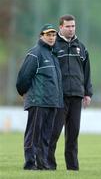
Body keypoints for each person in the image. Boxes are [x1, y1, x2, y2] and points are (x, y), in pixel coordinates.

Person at [48, 15, 93, 171]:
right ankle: (49, 164)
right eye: (67, 26)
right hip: (58, 97)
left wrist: (88, 93)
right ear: (60, 27)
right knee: (54, 132)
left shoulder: (81, 47)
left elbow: (87, 72)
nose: (71, 29)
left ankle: (72, 168)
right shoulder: (53, 47)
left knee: (73, 134)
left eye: (73, 26)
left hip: (76, 96)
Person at [16, 24, 63, 170]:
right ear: (41, 36)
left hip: (52, 102)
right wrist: (24, 93)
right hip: (38, 101)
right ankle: (30, 164)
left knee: (46, 137)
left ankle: (43, 164)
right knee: (34, 135)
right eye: (48, 34)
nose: (51, 37)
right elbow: (23, 78)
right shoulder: (35, 53)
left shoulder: (52, 54)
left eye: (54, 35)